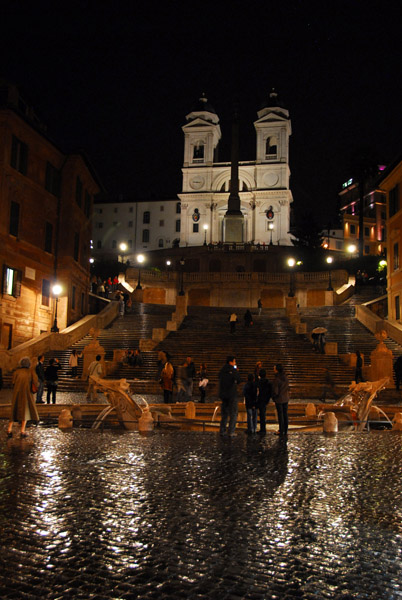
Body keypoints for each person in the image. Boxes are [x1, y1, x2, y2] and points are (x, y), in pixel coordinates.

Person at [7, 357, 39, 438]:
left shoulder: (16, 372)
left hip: (17, 393)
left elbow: (13, 382)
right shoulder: (30, 372)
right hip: (27, 393)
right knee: (26, 412)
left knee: (14, 410)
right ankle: (22, 430)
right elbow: (36, 382)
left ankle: (9, 429)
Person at [219, 355, 241, 437]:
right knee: (233, 413)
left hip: (223, 394)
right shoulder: (233, 370)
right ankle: (231, 431)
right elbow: (239, 380)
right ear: (231, 362)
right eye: (234, 361)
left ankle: (222, 430)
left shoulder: (222, 370)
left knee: (224, 414)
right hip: (232, 394)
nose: (235, 363)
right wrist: (236, 371)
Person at [272, 363, 289, 436]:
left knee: (280, 415)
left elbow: (275, 391)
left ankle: (281, 430)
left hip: (279, 399)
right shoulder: (285, 377)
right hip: (285, 398)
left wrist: (273, 396)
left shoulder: (277, 379)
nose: (273, 369)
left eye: (274, 368)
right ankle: (285, 429)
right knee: (285, 414)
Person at [256, 368, 271, 434]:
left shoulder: (259, 382)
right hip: (265, 399)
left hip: (260, 399)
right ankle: (263, 428)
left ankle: (262, 429)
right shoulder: (268, 382)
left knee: (261, 414)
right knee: (263, 414)